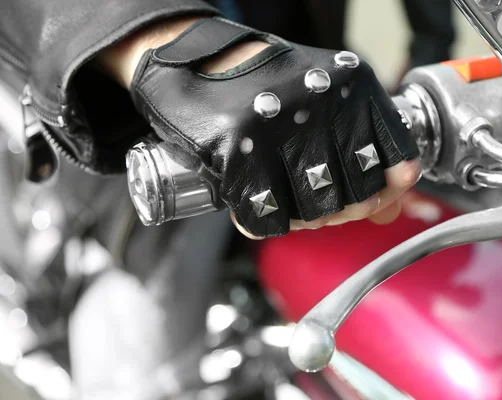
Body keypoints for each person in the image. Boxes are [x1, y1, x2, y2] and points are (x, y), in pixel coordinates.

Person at [0, 1, 420, 397]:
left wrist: (429, 49)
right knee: (141, 380)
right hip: (122, 110)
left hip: (299, 73)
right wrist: (167, 48)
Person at [0, 0, 421, 240]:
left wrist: (428, 55)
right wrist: (167, 48)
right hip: (120, 121)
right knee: (146, 365)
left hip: (311, 88)